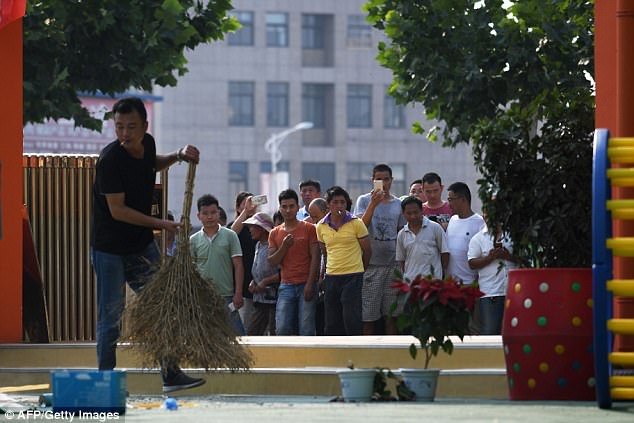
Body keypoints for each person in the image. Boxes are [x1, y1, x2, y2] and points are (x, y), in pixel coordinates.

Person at [91, 96, 204, 393]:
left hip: (140, 246)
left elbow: (151, 164)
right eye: (119, 127)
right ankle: (107, 382)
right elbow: (119, 210)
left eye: (131, 127)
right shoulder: (109, 161)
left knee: (162, 307)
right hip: (109, 250)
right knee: (110, 317)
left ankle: (170, 374)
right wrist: (161, 225)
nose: (125, 133)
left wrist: (178, 155)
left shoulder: (149, 143)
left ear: (144, 126)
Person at [353, 163, 406, 335]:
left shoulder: (398, 204)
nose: (382, 183)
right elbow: (360, 227)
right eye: (378, 179)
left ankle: (393, 357)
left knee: (392, 316)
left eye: (386, 179)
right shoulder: (364, 200)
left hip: (393, 265)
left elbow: (401, 233)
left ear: (392, 180)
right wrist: (373, 204)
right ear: (372, 180)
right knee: (368, 317)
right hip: (371, 266)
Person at [316, 186, 371, 335]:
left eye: (342, 202)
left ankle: (355, 352)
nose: (339, 206)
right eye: (335, 202)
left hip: (353, 275)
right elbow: (325, 252)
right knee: (332, 320)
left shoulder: (356, 223)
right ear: (328, 204)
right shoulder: (320, 226)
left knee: (351, 317)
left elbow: (367, 250)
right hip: (332, 275)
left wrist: (361, 268)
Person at [190, 194, 246, 336]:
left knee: (238, 337)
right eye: (205, 213)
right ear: (199, 216)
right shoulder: (193, 240)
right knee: (205, 337)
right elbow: (191, 270)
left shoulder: (230, 235)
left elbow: (238, 265)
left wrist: (238, 293)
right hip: (202, 298)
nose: (210, 217)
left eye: (213, 213)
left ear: (218, 213)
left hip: (226, 296)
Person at [268, 189, 320, 336]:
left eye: (291, 206)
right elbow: (272, 261)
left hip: (306, 283)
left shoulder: (309, 229)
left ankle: (309, 358)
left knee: (306, 328)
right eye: (284, 206)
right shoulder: (275, 233)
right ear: (280, 208)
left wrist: (311, 284)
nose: (288, 210)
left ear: (298, 207)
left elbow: (316, 257)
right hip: (286, 285)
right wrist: (284, 247)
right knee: (282, 328)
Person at [446, 182, 485, 334]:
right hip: (451, 286)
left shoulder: (479, 222)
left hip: (470, 287)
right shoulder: (452, 221)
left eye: (451, 199)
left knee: (472, 329)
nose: (448, 204)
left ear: (462, 199)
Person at [468, 216, 517, 335]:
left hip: (515, 291)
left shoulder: (514, 236)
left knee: (514, 331)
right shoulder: (478, 238)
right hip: (490, 293)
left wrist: (506, 256)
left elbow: (526, 259)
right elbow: (472, 263)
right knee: (490, 332)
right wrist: (490, 258)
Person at [396, 196, 449, 282]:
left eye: (416, 212)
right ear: (403, 213)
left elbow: (445, 253)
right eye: (409, 213)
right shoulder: (402, 234)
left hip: (433, 283)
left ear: (421, 211)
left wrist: (440, 274)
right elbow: (402, 260)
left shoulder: (435, 228)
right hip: (410, 284)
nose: (413, 216)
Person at [244, 212, 279, 336]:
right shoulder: (258, 245)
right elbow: (257, 269)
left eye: (253, 227)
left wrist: (266, 281)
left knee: (275, 333)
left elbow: (283, 273)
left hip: (274, 299)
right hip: (259, 299)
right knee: (252, 333)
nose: (250, 230)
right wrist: (254, 282)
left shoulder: (274, 245)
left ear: (262, 229)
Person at [228, 192, 258, 332]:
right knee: (242, 324)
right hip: (240, 284)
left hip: (258, 283)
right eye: (246, 204)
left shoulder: (260, 226)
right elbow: (232, 233)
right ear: (239, 208)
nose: (251, 207)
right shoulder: (234, 227)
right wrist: (246, 212)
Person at [308, 197, 329, 334]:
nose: (313, 221)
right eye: (311, 217)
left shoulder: (332, 229)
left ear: (326, 211)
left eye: (316, 216)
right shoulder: (312, 230)